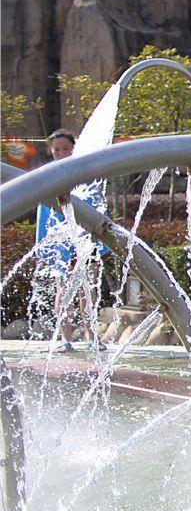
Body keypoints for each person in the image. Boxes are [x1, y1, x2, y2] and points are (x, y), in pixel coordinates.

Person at [33, 130, 101, 349]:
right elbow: (43, 214)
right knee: (63, 289)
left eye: (66, 149)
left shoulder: (86, 172)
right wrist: (42, 245)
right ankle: (65, 338)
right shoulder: (47, 175)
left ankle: (92, 337)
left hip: (85, 237)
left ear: (74, 148)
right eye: (57, 150)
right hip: (61, 242)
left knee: (89, 288)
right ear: (51, 152)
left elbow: (97, 206)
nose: (62, 153)